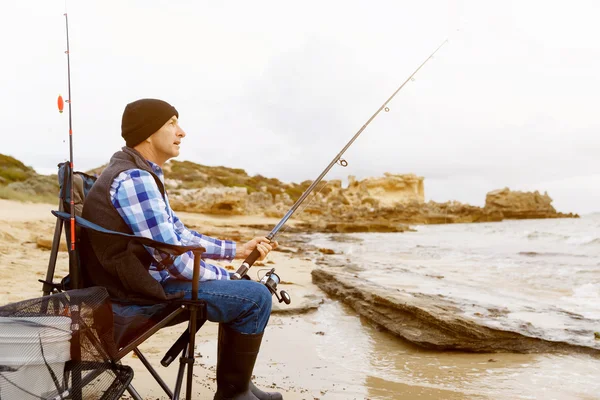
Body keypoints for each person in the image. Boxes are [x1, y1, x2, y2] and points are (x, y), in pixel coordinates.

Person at [81, 98, 282, 400]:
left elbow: (178, 235)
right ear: (148, 132)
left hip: (133, 280)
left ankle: (239, 388)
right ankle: (233, 394)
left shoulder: (141, 173)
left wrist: (237, 252)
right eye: (172, 123)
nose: (182, 132)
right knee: (255, 298)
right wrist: (227, 277)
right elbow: (174, 260)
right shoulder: (135, 178)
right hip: (135, 292)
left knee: (246, 291)